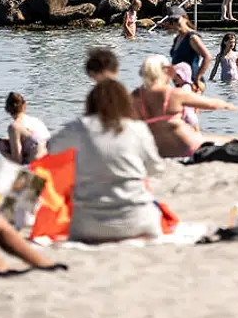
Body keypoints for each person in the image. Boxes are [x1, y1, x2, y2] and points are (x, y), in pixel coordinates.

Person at [48, 78, 166, 242]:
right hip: (137, 220)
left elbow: (52, 148)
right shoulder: (138, 129)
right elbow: (156, 168)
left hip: (88, 225)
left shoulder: (80, 127)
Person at [133, 55, 238, 157]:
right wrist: (228, 105)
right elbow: (211, 104)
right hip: (185, 147)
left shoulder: (136, 96)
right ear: (168, 71)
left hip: (156, 150)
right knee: (232, 140)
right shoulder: (174, 94)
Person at [162, 8, 210, 90]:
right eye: (171, 21)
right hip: (180, 82)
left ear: (185, 18)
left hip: (192, 82)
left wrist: (198, 78)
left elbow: (207, 56)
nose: (174, 23)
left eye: (176, 20)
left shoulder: (192, 37)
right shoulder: (177, 38)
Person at [0, 92, 50, 164]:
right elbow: (32, 139)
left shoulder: (14, 127)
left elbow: (17, 161)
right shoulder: (36, 121)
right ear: (24, 105)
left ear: (6, 109)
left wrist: (2, 151)